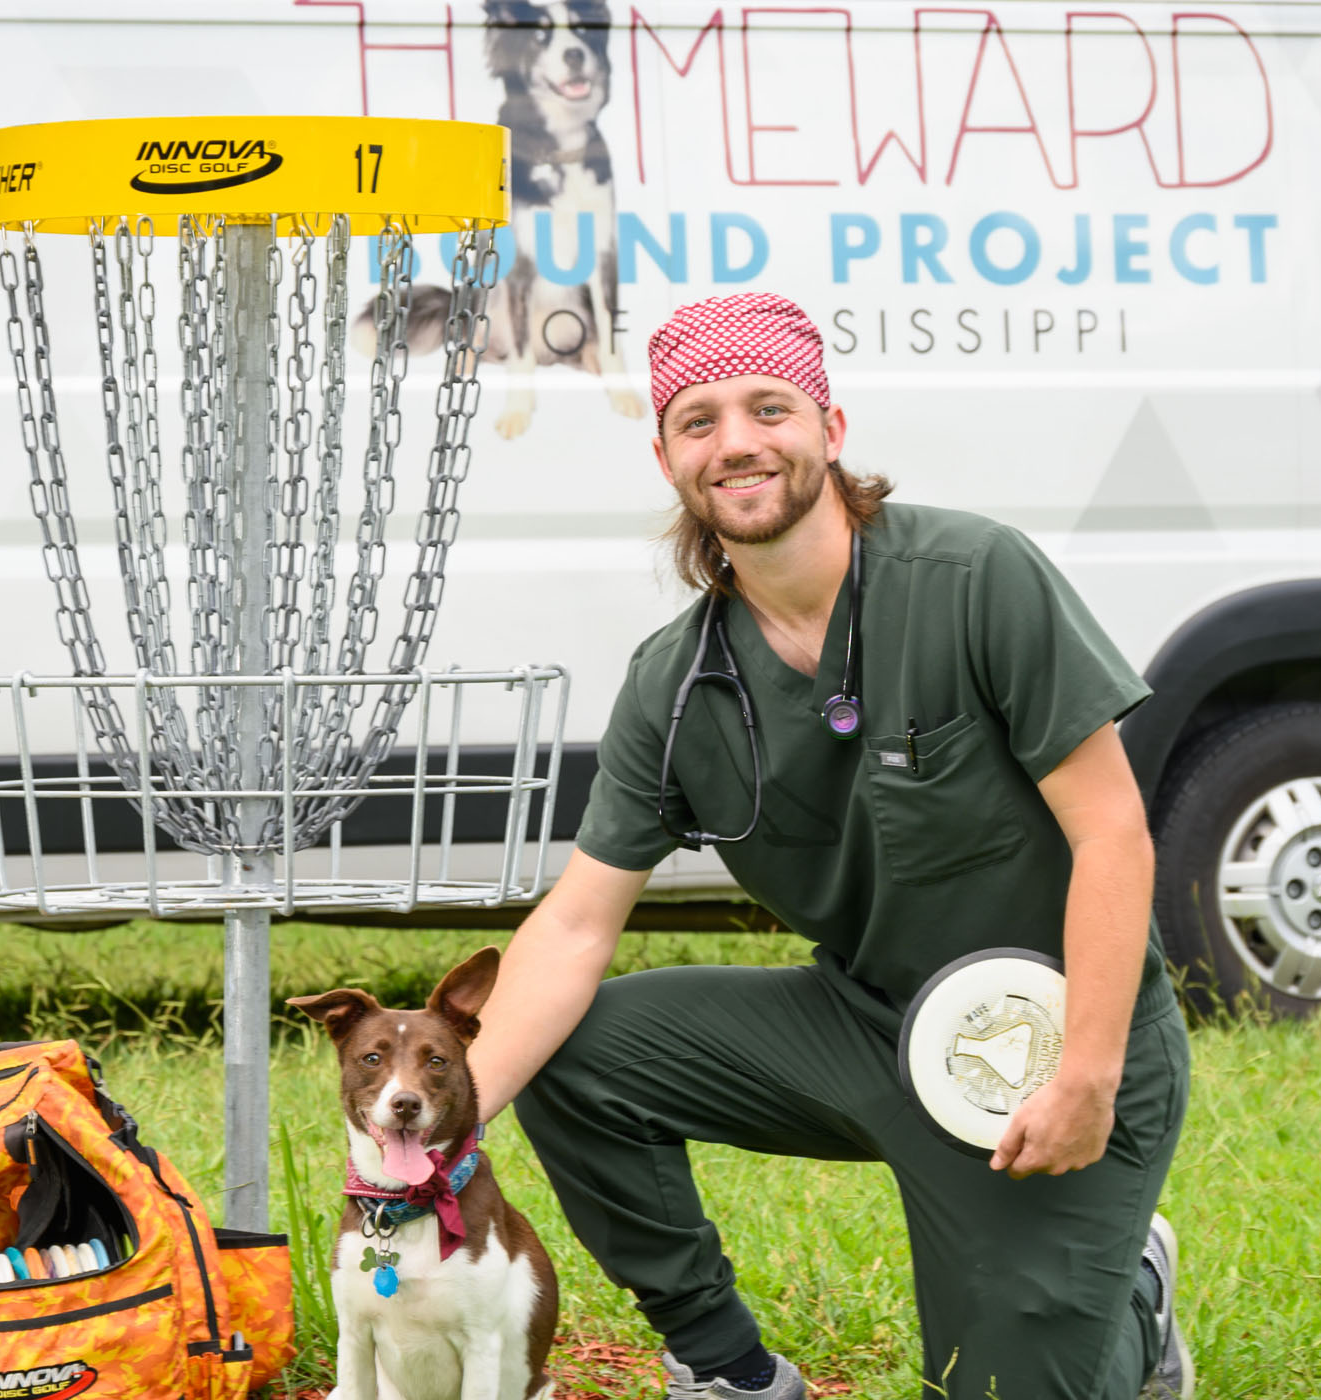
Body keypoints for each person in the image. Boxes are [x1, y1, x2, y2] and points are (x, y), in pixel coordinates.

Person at [466, 292, 1193, 1400]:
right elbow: (573, 923)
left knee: (1004, 1387)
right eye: (699, 420)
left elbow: (1113, 831)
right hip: (865, 1027)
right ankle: (729, 1367)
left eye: (769, 407)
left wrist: (1090, 1071)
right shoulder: (678, 681)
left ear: (830, 429)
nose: (738, 441)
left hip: (1053, 1049)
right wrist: (441, 1131)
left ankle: (1131, 1296)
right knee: (570, 1047)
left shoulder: (974, 577)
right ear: (665, 454)